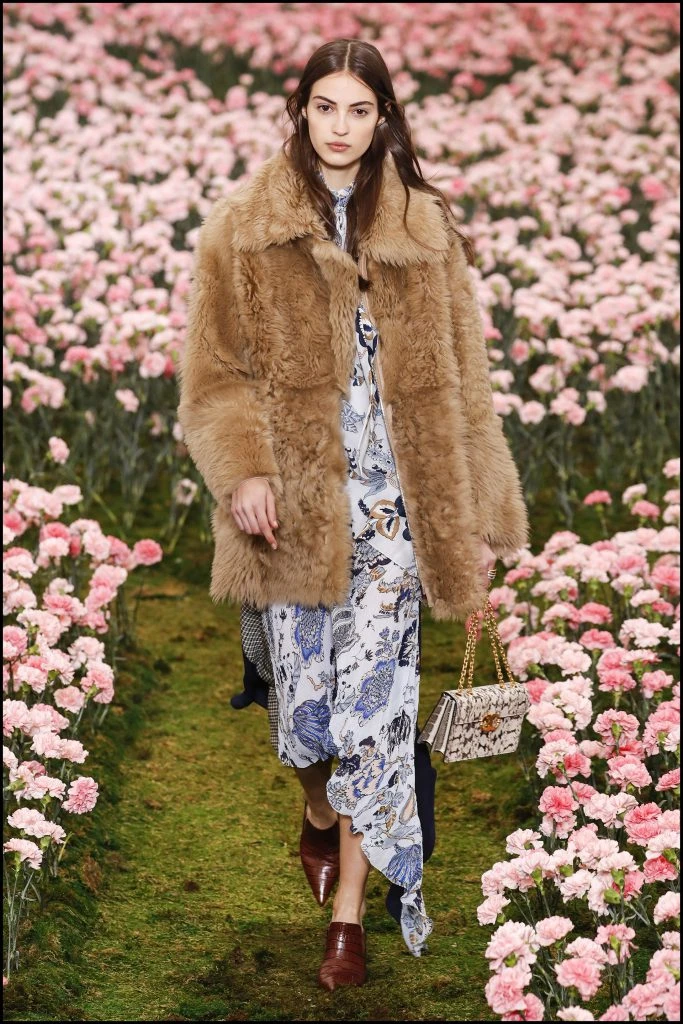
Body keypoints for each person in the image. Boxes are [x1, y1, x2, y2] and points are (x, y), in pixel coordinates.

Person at [177, 38, 529, 991]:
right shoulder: (243, 231)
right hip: (291, 513)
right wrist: (244, 470)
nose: (340, 125)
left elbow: (465, 386)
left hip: (396, 518)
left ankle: (349, 922)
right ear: (301, 112)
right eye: (324, 107)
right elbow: (213, 378)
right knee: (307, 721)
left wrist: (481, 520)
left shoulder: (423, 230)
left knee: (377, 715)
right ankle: (320, 816)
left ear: (383, 121)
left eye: (358, 109)